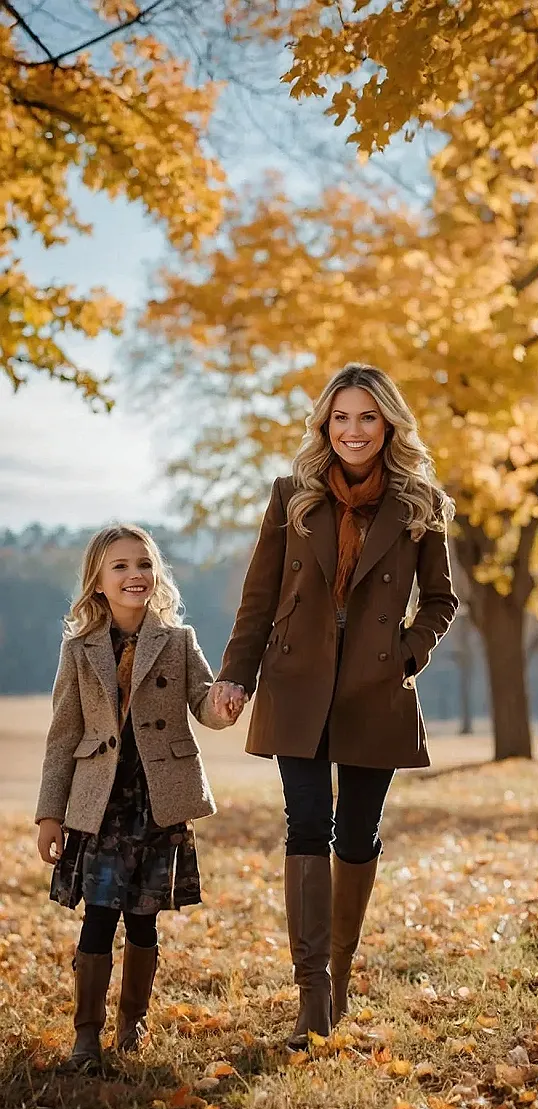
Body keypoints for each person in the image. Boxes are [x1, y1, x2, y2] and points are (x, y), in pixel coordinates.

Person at [211, 362, 459, 1048]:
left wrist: (407, 655)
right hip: (295, 680)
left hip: (374, 687)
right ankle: (312, 994)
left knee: (355, 836)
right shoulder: (291, 495)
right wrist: (237, 676)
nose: (352, 431)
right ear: (326, 424)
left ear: (387, 425)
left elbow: (440, 601)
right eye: (340, 418)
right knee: (305, 824)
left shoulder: (419, 503)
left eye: (367, 418)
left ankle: (341, 977)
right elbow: (257, 598)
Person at [35, 524, 236, 1072]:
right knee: (98, 916)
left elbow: (203, 704)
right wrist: (51, 815)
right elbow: (62, 735)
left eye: (144, 565)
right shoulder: (79, 650)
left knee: (144, 918)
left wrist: (223, 704)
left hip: (158, 801)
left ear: (157, 575)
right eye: (120, 566)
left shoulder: (178, 641)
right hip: (98, 805)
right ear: (97, 581)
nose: (135, 575)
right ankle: (86, 1036)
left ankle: (132, 1025)